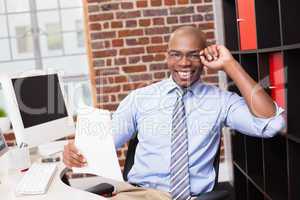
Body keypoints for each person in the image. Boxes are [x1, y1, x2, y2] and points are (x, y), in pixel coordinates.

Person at [63, 26, 285, 200]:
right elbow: (104, 143)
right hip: (142, 195)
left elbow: (272, 124)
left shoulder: (221, 101)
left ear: (205, 59)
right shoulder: (140, 99)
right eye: (176, 55)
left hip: (193, 198)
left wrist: (230, 64)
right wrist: (77, 150)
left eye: (193, 55)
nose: (184, 63)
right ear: (167, 57)